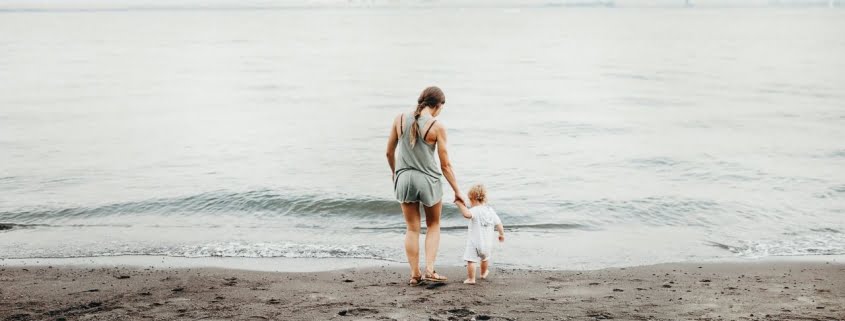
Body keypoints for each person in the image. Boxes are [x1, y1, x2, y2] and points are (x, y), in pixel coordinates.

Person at [385, 86, 467, 286]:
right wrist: (458, 191)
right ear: (437, 106)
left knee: (412, 229)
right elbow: (445, 165)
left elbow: (389, 152)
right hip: (428, 180)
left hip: (404, 178)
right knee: (433, 225)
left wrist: (396, 174)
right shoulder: (437, 126)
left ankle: (415, 274)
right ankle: (430, 269)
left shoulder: (400, 119)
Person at [454, 184, 505, 285]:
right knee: (485, 258)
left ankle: (471, 278)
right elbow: (499, 223)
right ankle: (483, 273)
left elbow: (466, 214)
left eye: (469, 200)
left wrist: (460, 204)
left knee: (471, 260)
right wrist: (501, 234)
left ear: (473, 198)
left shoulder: (475, 210)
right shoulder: (490, 211)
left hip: (474, 243)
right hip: (487, 244)